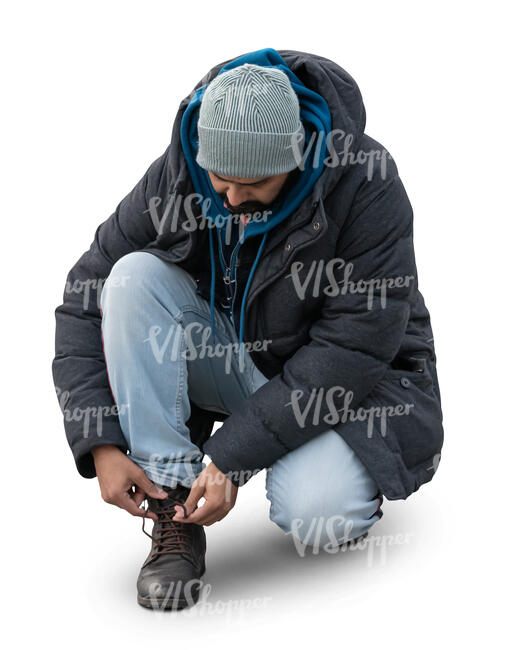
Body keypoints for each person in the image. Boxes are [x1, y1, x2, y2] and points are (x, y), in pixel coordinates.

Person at [52, 47, 444, 611]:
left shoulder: (366, 183)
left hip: (353, 386)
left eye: (254, 182)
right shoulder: (179, 174)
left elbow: (353, 348)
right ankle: (176, 497)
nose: (231, 198)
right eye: (220, 179)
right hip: (246, 361)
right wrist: (101, 441)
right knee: (130, 278)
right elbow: (82, 298)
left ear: (297, 158)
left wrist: (235, 452)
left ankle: (320, 464)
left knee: (316, 517)